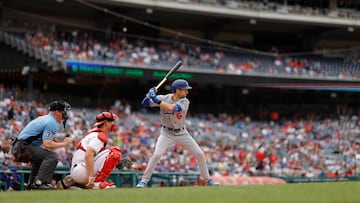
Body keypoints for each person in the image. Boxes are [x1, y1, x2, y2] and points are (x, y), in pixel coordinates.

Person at [136, 79, 219, 188]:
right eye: (185, 90)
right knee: (156, 155)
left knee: (199, 153)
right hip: (166, 133)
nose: (187, 92)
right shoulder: (164, 98)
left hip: (182, 133)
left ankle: (207, 179)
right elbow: (144, 104)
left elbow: (172, 108)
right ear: (177, 90)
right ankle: (143, 181)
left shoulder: (185, 101)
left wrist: (155, 98)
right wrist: (149, 95)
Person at [56, 111, 133, 190]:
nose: (114, 124)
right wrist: (91, 178)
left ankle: (75, 182)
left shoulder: (95, 134)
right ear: (106, 123)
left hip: (78, 169)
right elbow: (88, 155)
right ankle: (96, 183)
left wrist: (116, 163)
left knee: (112, 153)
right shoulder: (99, 136)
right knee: (115, 151)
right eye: (112, 122)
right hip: (81, 170)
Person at [11, 100, 73, 190]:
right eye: (63, 111)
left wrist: (31, 156)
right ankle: (40, 183)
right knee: (52, 157)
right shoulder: (51, 122)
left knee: (41, 159)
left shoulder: (45, 118)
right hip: (22, 147)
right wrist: (64, 144)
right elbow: (47, 143)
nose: (65, 114)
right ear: (57, 112)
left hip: (21, 146)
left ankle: (31, 185)